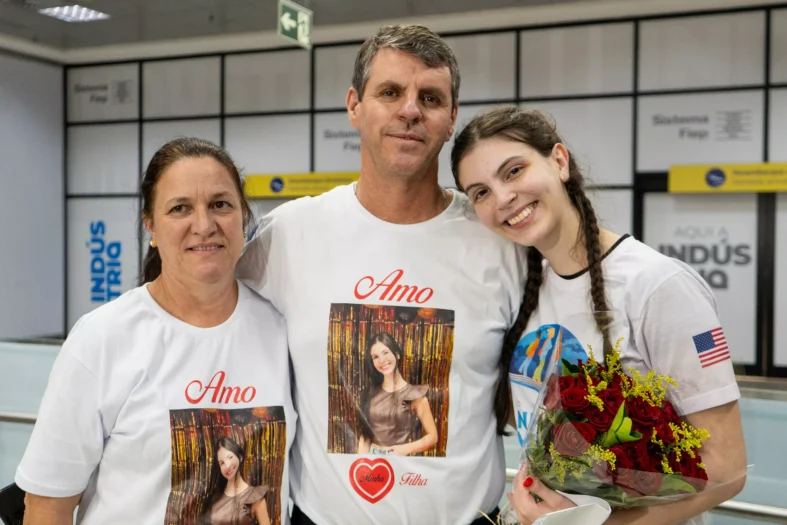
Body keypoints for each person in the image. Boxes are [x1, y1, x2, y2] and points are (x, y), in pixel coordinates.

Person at [236, 24, 527, 525]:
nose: (410, 110)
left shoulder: (499, 242)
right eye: (390, 92)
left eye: (430, 98)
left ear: (451, 118)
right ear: (354, 106)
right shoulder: (287, 236)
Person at [450, 105, 747, 525]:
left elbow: (727, 470)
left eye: (514, 171)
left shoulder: (660, 286)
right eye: (480, 192)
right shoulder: (526, 289)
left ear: (559, 161)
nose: (502, 198)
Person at [15, 138, 296, 525]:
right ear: (151, 225)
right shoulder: (103, 338)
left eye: (220, 204)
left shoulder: (280, 329)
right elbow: (48, 507)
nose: (204, 225)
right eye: (180, 208)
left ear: (243, 216)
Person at [357, 333, 438, 456]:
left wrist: (405, 449)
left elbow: (433, 436)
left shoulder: (415, 395)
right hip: (371, 458)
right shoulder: (370, 394)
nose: (382, 360)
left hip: (398, 459)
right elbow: (365, 435)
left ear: (397, 354)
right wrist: (360, 461)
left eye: (385, 353)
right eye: (375, 357)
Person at [205, 437, 271, 525]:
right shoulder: (215, 498)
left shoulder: (255, 496)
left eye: (230, 457)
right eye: (222, 463)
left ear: (240, 457)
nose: (227, 466)